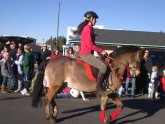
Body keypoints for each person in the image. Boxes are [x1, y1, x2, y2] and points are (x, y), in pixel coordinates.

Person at [75, 11, 107, 95]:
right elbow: (90, 44)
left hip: (88, 53)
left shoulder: (89, 29)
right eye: (95, 19)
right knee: (103, 67)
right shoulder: (87, 29)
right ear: (90, 19)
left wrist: (99, 51)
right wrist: (101, 51)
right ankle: (98, 88)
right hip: (86, 54)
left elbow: (92, 44)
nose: (96, 21)